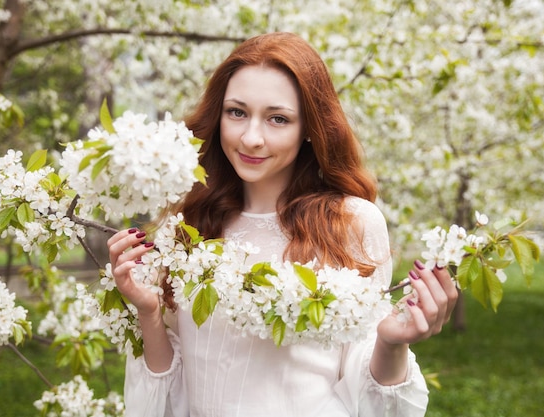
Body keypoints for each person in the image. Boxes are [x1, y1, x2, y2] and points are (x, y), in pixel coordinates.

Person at [107, 32, 458, 417]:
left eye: (278, 118)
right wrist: (148, 310)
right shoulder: (188, 224)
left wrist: (391, 344)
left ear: (309, 127)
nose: (251, 137)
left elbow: (365, 389)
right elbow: (171, 388)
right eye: (237, 112)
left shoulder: (350, 222)